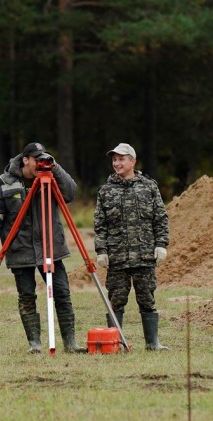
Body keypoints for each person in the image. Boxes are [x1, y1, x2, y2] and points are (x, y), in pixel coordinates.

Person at [0, 142, 87, 354]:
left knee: (62, 293)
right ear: (25, 159)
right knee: (26, 296)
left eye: (43, 158)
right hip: (20, 248)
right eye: (37, 159)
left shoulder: (51, 178)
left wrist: (55, 167)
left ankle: (71, 343)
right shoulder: (3, 182)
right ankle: (34, 344)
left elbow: (71, 193)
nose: (40, 163)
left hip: (50, 247)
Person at [93, 142, 170, 351]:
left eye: (121, 159)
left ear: (132, 161)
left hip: (144, 255)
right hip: (117, 257)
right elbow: (100, 225)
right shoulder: (106, 191)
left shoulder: (149, 186)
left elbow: (160, 218)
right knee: (116, 301)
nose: (117, 163)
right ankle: (114, 343)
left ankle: (152, 343)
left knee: (147, 299)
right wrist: (101, 251)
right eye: (114, 160)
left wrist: (161, 244)